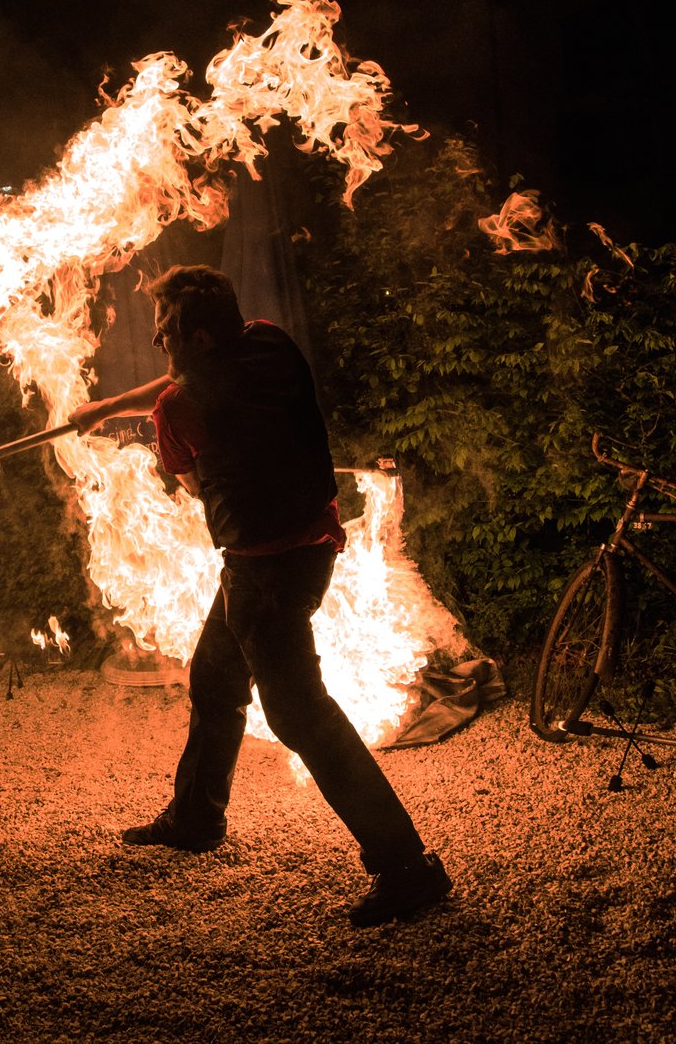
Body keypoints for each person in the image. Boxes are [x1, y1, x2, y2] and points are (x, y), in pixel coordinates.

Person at [69, 265, 449, 927]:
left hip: (262, 571)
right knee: (215, 676)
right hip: (311, 549)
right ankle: (196, 815)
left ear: (203, 337)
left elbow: (187, 471)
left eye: (167, 332)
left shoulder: (179, 410)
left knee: (301, 714)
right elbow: (187, 381)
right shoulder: (270, 342)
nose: (160, 342)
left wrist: (141, 419)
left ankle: (407, 866)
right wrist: (106, 408)